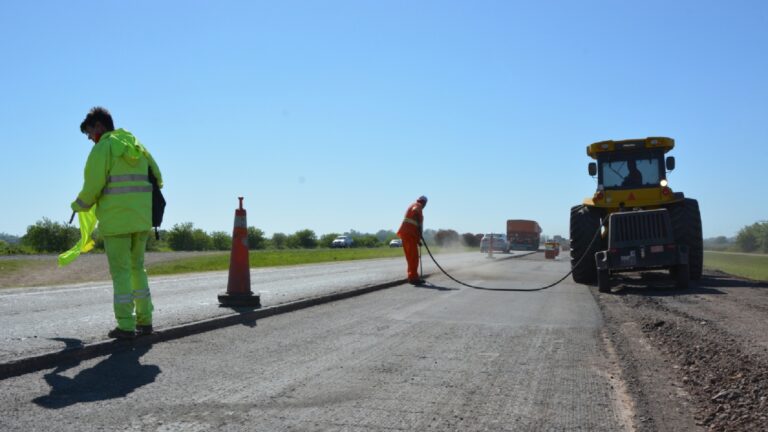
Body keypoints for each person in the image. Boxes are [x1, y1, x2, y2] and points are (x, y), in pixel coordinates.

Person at [72, 107, 163, 340]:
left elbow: (93, 185)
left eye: (89, 133)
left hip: (116, 222)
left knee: (121, 272)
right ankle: (145, 321)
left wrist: (78, 205)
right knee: (137, 269)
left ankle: (125, 326)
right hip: (141, 221)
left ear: (99, 126)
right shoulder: (137, 145)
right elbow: (158, 177)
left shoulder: (104, 147)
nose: (90, 138)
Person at [397, 196, 427, 285]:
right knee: (414, 258)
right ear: (424, 203)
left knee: (410, 257)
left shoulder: (412, 205)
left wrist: (418, 240)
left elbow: (414, 226)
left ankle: (412, 276)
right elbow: (415, 211)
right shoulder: (418, 206)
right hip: (409, 235)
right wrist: (419, 227)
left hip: (407, 234)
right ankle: (413, 278)